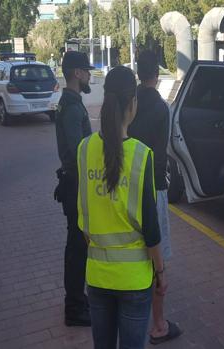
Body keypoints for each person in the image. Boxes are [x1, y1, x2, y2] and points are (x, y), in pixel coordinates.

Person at [77, 66, 166, 349]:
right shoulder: (141, 155)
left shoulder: (84, 149)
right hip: (135, 280)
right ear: (132, 104)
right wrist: (160, 273)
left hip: (97, 276)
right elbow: (151, 229)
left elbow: (83, 215)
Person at [127, 51, 183, 345]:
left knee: (137, 254)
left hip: (129, 186)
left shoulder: (130, 103)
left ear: (138, 73)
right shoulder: (163, 108)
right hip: (155, 186)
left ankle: (133, 315)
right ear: (157, 75)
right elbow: (171, 144)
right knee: (158, 258)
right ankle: (158, 324)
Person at [53, 51, 94, 327]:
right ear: (77, 73)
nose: (90, 74)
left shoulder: (71, 103)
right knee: (77, 248)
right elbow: (78, 152)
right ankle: (74, 307)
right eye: (87, 70)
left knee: (77, 246)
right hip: (76, 185)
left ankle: (78, 299)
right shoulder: (71, 107)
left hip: (74, 183)